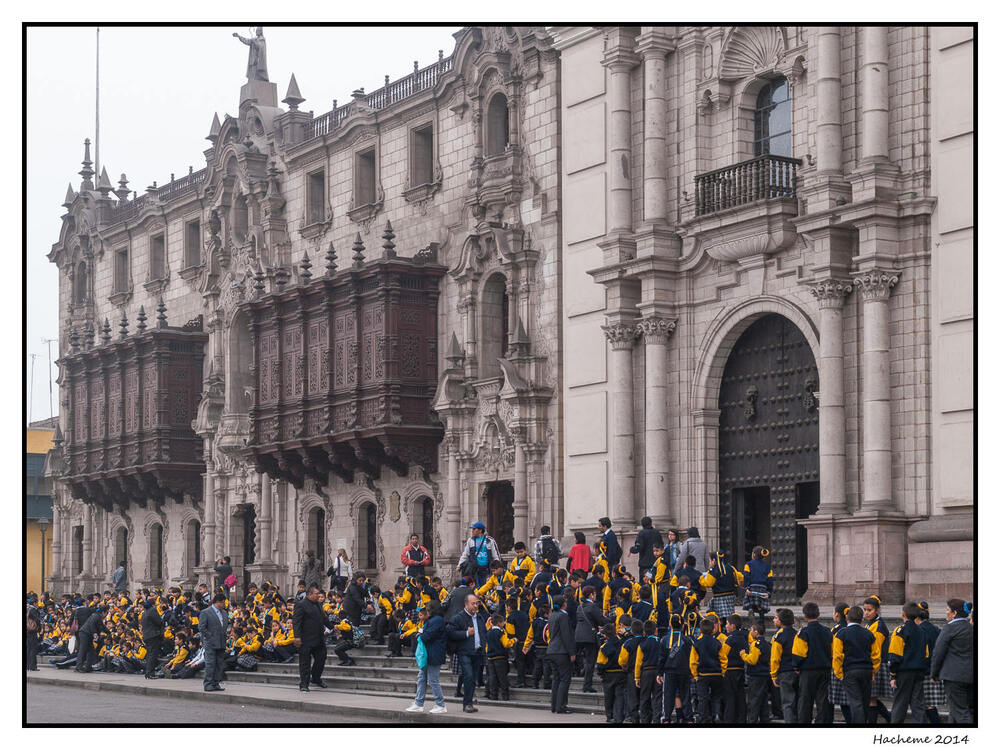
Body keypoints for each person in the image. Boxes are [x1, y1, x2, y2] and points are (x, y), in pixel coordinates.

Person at [832, 605, 879, 725]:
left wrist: (839, 674)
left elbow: (837, 655)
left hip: (850, 670)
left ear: (847, 618)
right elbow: (876, 655)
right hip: (867, 670)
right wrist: (873, 671)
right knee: (865, 701)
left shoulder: (841, 634)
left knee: (855, 702)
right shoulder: (869, 634)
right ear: (862, 619)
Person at [930, 599, 974, 724]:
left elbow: (938, 652)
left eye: (947, 610)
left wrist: (934, 674)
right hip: (970, 676)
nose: (946, 613)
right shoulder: (970, 628)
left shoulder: (950, 628)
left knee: (960, 711)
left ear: (954, 613)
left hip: (953, 676)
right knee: (959, 710)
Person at [888, 601, 929, 724]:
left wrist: (893, 674)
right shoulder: (922, 631)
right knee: (918, 705)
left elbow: (895, 654)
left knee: (900, 704)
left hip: (904, 672)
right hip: (919, 672)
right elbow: (926, 654)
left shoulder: (900, 631)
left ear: (903, 614)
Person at [446, 593, 488, 713]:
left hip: (478, 651)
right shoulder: (458, 618)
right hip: (464, 652)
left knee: (473, 678)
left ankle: (469, 702)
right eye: (473, 603)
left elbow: (483, 633)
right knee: (468, 676)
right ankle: (467, 703)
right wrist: (465, 633)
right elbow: (450, 632)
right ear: (466, 604)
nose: (476, 606)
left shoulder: (479, 617)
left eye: (477, 603)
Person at [792, 601, 833, 723]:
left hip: (808, 670)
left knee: (805, 700)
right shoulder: (827, 631)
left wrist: (796, 666)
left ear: (804, 616)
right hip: (824, 669)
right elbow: (833, 650)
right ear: (819, 614)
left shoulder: (803, 633)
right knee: (822, 699)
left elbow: (799, 653)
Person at [406, 600, 448, 714]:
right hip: (431, 654)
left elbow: (427, 636)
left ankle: (440, 704)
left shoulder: (436, 621)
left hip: (433, 654)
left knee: (432, 679)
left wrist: (421, 634)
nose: (427, 612)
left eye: (428, 610)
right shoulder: (436, 620)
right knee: (422, 678)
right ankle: (419, 703)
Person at [292, 584, 333, 692]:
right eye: (316, 594)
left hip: (318, 638)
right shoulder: (301, 605)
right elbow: (296, 622)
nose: (318, 596)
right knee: (305, 662)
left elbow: (324, 618)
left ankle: (315, 678)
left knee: (321, 658)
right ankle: (304, 684)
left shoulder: (318, 604)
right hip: (305, 639)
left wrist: (333, 628)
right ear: (310, 594)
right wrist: (297, 636)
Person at [690, 616, 729, 724]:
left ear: (701, 630)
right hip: (716, 673)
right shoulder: (717, 643)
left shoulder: (697, 643)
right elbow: (723, 659)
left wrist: (695, 675)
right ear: (713, 630)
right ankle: (715, 715)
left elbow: (693, 661)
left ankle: (703, 718)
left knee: (703, 698)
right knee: (716, 697)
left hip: (703, 675)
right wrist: (722, 672)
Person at [657, 613, 693, 724]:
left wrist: (659, 673)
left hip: (669, 672)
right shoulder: (688, 640)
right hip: (684, 671)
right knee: (686, 695)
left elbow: (661, 658)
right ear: (683, 626)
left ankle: (666, 718)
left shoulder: (664, 640)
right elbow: (691, 657)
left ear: (670, 625)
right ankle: (689, 718)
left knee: (668, 696)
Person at [863, 595, 894, 723]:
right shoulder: (870, 624)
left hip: (877, 664)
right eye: (864, 609)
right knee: (871, 697)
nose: (866, 613)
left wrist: (872, 669)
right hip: (873, 663)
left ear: (876, 610)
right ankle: (890, 718)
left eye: (869, 610)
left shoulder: (879, 625)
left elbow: (875, 649)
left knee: (871, 698)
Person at [915, 602, 944, 724]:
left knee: (928, 705)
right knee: (929, 704)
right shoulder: (936, 629)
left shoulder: (919, 630)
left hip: (924, 670)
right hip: (934, 668)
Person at [574, 585, 606, 694]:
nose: (595, 595)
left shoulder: (580, 607)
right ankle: (587, 685)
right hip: (589, 636)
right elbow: (601, 621)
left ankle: (582, 672)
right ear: (591, 595)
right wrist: (612, 618)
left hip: (579, 636)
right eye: (594, 593)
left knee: (583, 658)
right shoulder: (593, 607)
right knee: (590, 661)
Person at [546, 594, 576, 714]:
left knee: (556, 679)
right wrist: (572, 652)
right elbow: (566, 635)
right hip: (561, 651)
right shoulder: (563, 616)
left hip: (552, 650)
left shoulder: (552, 615)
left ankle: (554, 705)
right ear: (564, 604)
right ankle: (561, 706)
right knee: (565, 679)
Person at [770, 608, 799, 724]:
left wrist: (773, 675)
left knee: (787, 702)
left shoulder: (779, 637)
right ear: (793, 621)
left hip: (784, 672)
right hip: (798, 671)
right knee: (798, 701)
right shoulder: (798, 634)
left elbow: (775, 658)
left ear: (780, 622)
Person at [722, 613, 750, 723]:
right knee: (740, 696)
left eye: (727, 624)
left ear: (733, 626)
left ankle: (729, 719)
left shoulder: (730, 640)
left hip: (730, 671)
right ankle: (741, 719)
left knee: (730, 697)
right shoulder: (743, 638)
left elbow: (723, 655)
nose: (726, 626)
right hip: (740, 669)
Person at [597, 621, 627, 723]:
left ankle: (610, 716)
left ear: (605, 635)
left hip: (608, 674)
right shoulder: (622, 643)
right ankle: (619, 716)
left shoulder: (604, 647)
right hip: (620, 672)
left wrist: (600, 673)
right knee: (619, 696)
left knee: (608, 696)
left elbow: (600, 663)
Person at [199, 592, 229, 692]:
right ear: (217, 602)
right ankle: (208, 683)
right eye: (223, 602)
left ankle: (215, 683)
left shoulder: (224, 613)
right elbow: (202, 627)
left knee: (219, 664)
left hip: (221, 642)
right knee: (210, 663)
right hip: (210, 642)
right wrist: (209, 636)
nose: (224, 604)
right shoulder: (206, 612)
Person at [635, 619, 663, 724]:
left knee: (644, 697)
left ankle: (645, 719)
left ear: (644, 632)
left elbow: (638, 662)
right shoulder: (661, 641)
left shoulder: (642, 644)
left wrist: (637, 677)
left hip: (646, 672)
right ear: (656, 630)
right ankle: (657, 719)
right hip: (657, 672)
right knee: (657, 697)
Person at [458, 522, 501, 587]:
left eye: (474, 529)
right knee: (477, 588)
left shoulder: (490, 540)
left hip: (487, 570)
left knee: (487, 586)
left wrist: (498, 567)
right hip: (475, 570)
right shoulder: (470, 540)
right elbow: (465, 554)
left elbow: (495, 555)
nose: (472, 531)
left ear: (480, 530)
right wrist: (459, 565)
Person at [74, 604, 108, 673]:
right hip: (85, 633)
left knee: (91, 651)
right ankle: (79, 667)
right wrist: (94, 633)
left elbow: (103, 627)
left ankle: (88, 667)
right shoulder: (96, 616)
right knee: (83, 650)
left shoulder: (98, 617)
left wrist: (109, 633)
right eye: (106, 612)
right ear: (103, 612)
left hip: (88, 635)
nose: (106, 614)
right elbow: (92, 625)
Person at [140, 594, 165, 680]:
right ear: (153, 604)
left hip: (146, 636)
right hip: (152, 635)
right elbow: (159, 622)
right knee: (152, 655)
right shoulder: (152, 610)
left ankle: (148, 673)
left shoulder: (144, 612)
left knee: (150, 654)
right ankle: (150, 673)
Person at [26, 595, 42, 671]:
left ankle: (28, 665)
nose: (38, 604)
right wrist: (40, 628)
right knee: (33, 649)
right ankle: (32, 666)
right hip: (32, 631)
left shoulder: (28, 609)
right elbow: (37, 620)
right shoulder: (33, 610)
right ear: (35, 603)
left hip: (28, 630)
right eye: (37, 602)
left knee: (29, 648)